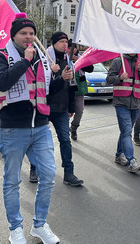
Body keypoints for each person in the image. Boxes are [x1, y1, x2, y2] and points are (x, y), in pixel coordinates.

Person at [0, 13, 60, 244]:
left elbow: (44, 91)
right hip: (12, 128)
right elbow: (2, 81)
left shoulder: (41, 57)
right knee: (12, 181)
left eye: (32, 33)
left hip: (40, 126)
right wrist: (25, 61)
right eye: (23, 33)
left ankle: (39, 225)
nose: (28, 37)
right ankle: (15, 229)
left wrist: (62, 79)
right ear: (14, 35)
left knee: (48, 176)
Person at [46, 31, 84, 186]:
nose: (64, 44)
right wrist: (59, 76)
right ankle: (35, 169)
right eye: (61, 41)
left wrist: (71, 107)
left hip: (61, 109)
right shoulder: (45, 60)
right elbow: (45, 88)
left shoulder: (68, 61)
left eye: (66, 42)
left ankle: (69, 173)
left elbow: (71, 87)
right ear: (54, 43)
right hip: (46, 107)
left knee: (65, 141)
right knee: (40, 142)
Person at [106, 53, 140, 172]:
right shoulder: (117, 61)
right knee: (126, 131)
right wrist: (120, 77)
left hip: (135, 103)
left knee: (126, 131)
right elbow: (109, 79)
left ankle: (119, 155)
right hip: (121, 103)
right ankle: (131, 161)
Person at [68, 44, 94, 141]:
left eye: (73, 48)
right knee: (66, 112)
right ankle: (65, 132)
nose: (71, 50)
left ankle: (74, 128)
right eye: (69, 48)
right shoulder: (63, 57)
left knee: (79, 110)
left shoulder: (82, 57)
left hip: (79, 89)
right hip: (67, 89)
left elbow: (91, 69)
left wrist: (79, 62)